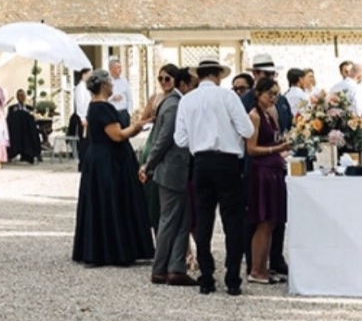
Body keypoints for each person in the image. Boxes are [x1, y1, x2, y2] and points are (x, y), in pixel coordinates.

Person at [174, 56, 255, 296]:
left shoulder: (187, 100)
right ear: (218, 75)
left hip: (201, 162)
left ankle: (207, 277)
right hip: (227, 161)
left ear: (199, 76)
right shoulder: (228, 97)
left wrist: (199, 138)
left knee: (203, 220)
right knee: (232, 221)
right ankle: (233, 278)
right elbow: (247, 129)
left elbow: (180, 139)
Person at [72, 69, 153, 267]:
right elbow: (117, 135)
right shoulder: (104, 108)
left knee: (102, 202)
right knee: (113, 201)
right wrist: (138, 127)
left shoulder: (93, 106)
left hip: (98, 157)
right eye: (109, 81)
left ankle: (100, 248)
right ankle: (117, 249)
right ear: (103, 85)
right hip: (109, 160)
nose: (112, 85)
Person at [141, 66, 197, 286]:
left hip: (177, 171)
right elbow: (164, 139)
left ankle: (175, 268)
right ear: (183, 85)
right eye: (193, 85)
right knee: (169, 220)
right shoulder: (174, 105)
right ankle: (161, 268)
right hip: (172, 170)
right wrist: (149, 165)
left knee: (182, 220)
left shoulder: (174, 102)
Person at [243, 76, 289, 286]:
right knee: (263, 221)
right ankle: (256, 268)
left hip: (274, 169)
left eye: (276, 94)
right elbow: (251, 148)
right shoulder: (254, 116)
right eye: (270, 94)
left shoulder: (270, 114)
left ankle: (263, 266)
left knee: (271, 222)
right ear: (258, 94)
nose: (273, 98)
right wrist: (276, 149)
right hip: (262, 172)